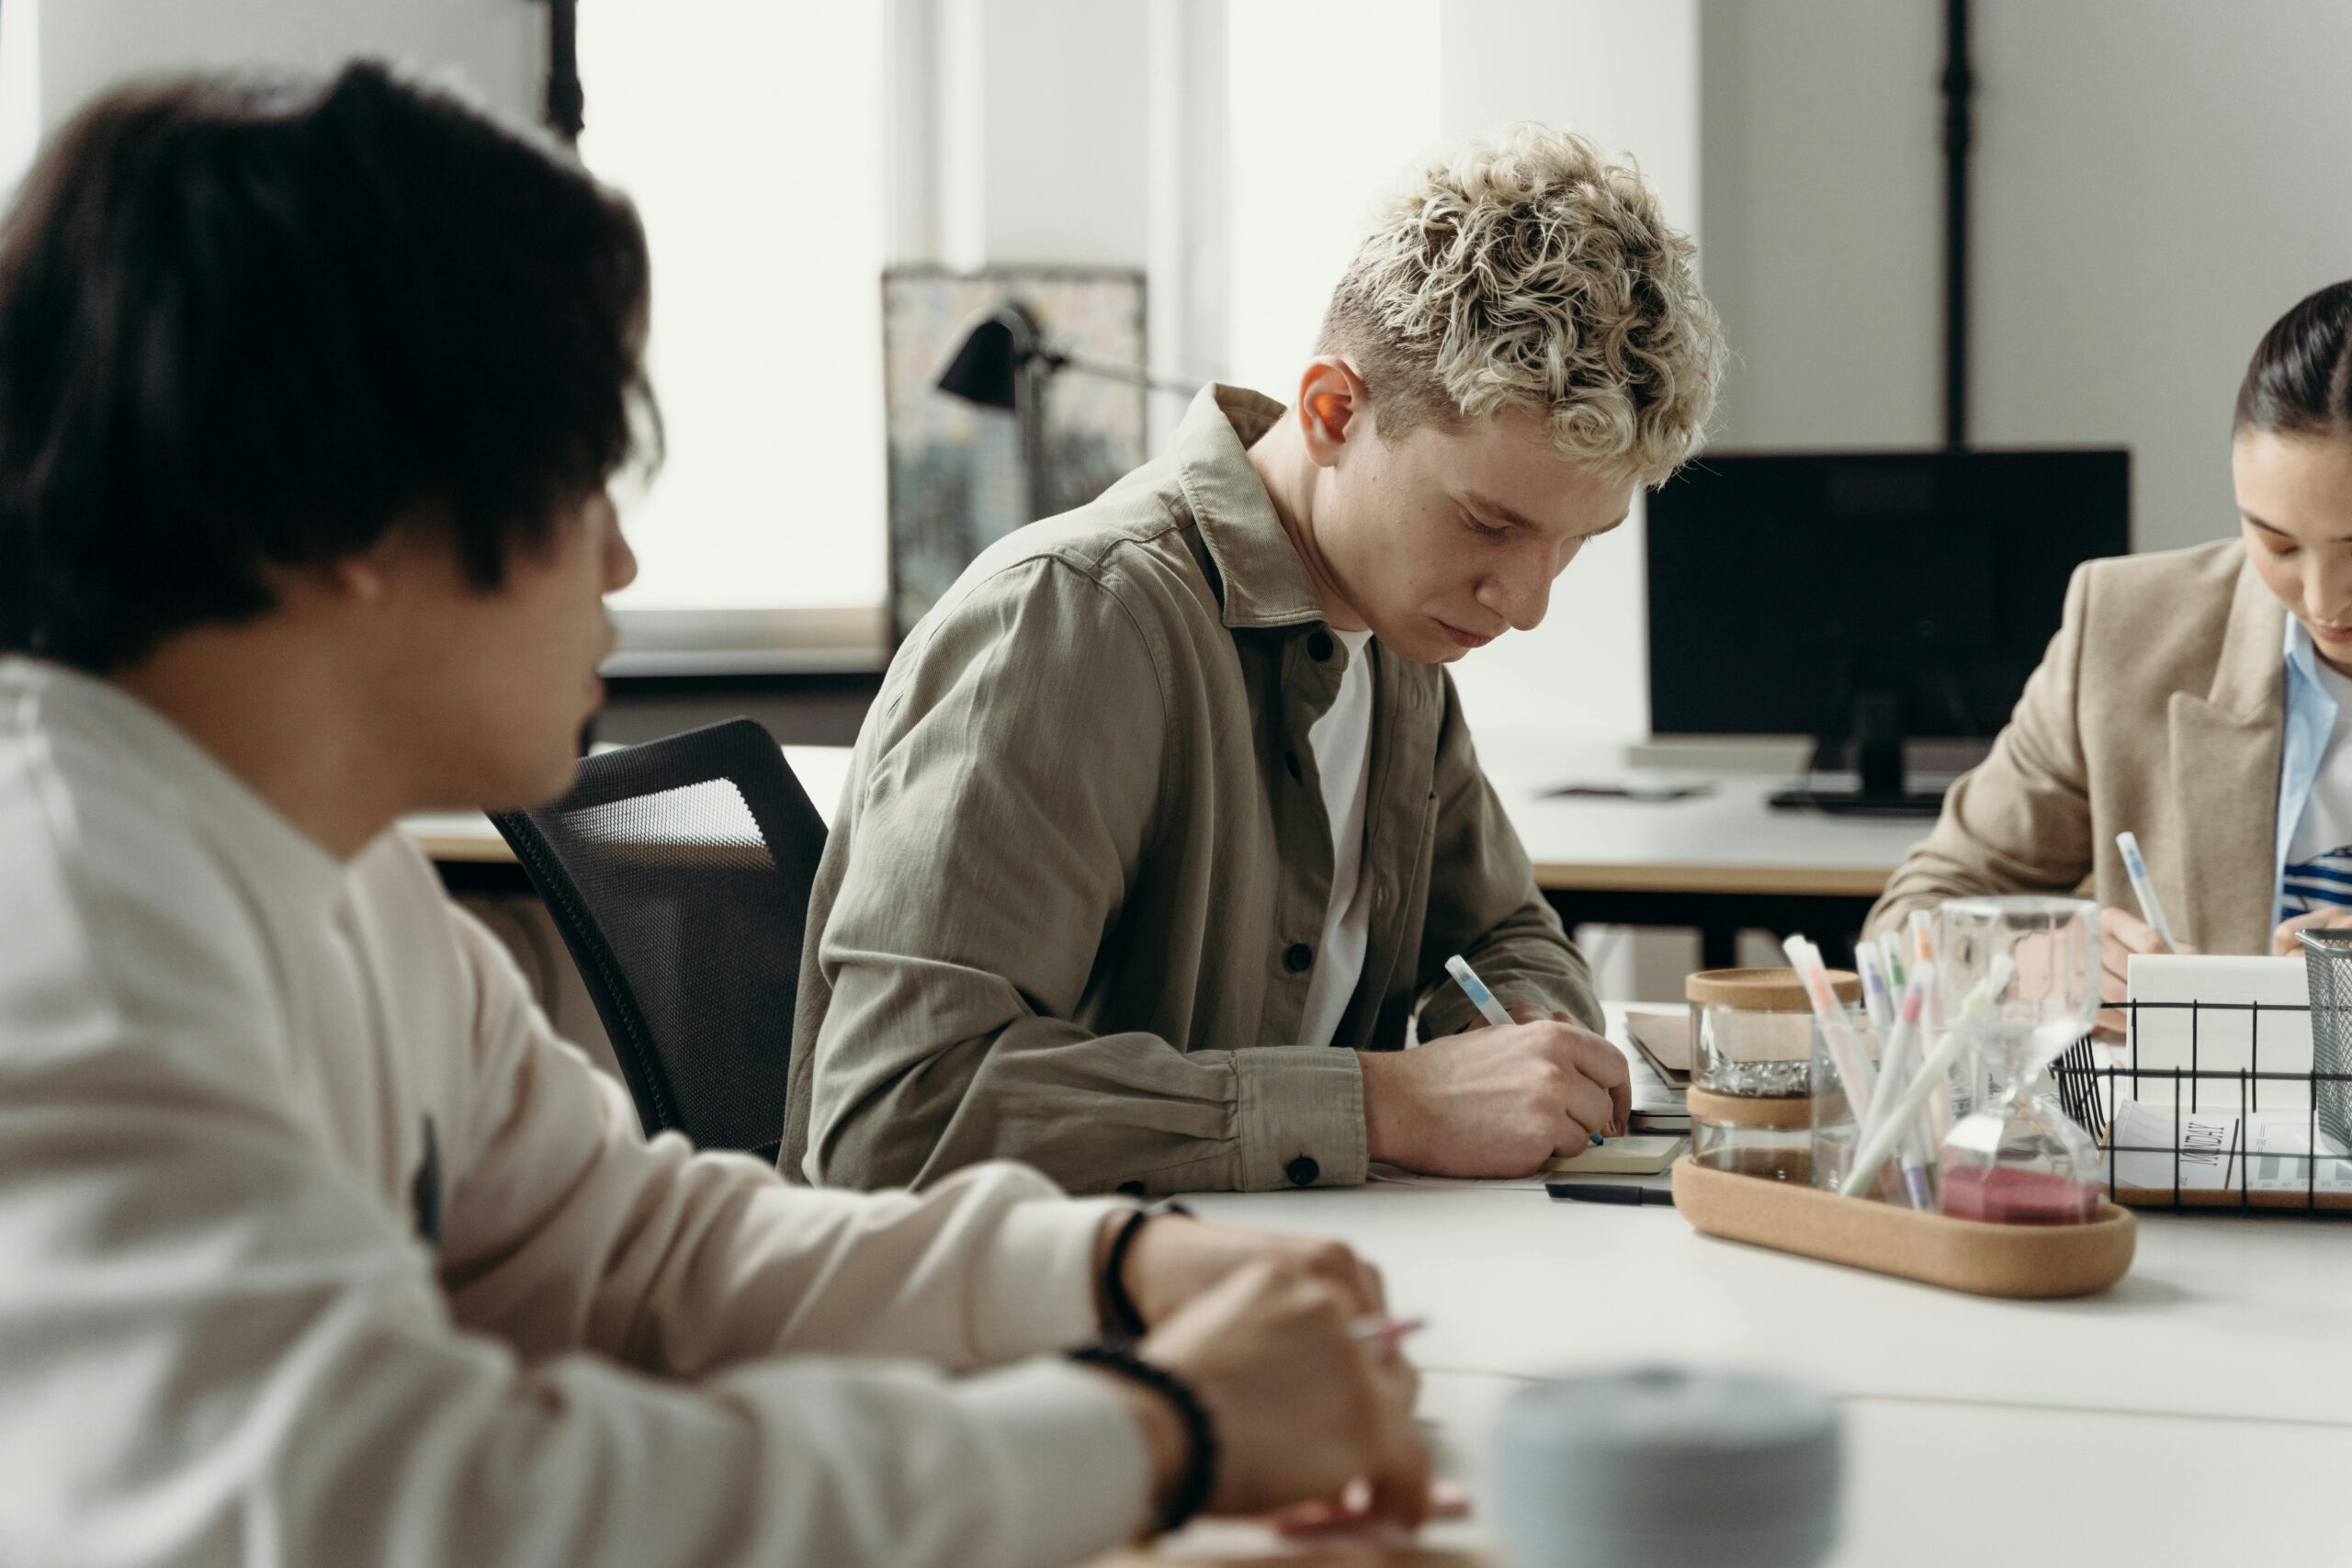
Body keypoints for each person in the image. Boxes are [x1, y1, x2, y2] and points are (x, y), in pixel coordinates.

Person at [0, 64, 1431, 1567]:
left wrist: (1119, 1266)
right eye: (582, 476)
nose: (618, 560)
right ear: (351, 505)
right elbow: (406, 1507)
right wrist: (1156, 1430)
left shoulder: (328, 869)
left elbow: (637, 1248)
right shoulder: (75, 917)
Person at [788, 124, 1724, 1194]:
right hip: (1024, 1323)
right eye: (1487, 523)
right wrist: (1386, 1104)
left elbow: (1503, 925)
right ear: (1332, 412)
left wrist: (1528, 1041)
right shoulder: (1075, 623)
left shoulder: (1396, 633)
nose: (1524, 605)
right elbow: (899, 1111)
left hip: (1269, 1275)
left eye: (1575, 545)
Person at [1868, 279, 2352, 1031]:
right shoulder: (2129, 631)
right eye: (2278, 543)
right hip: (2197, 1140)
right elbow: (1910, 918)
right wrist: (2035, 965)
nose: (2324, 599)